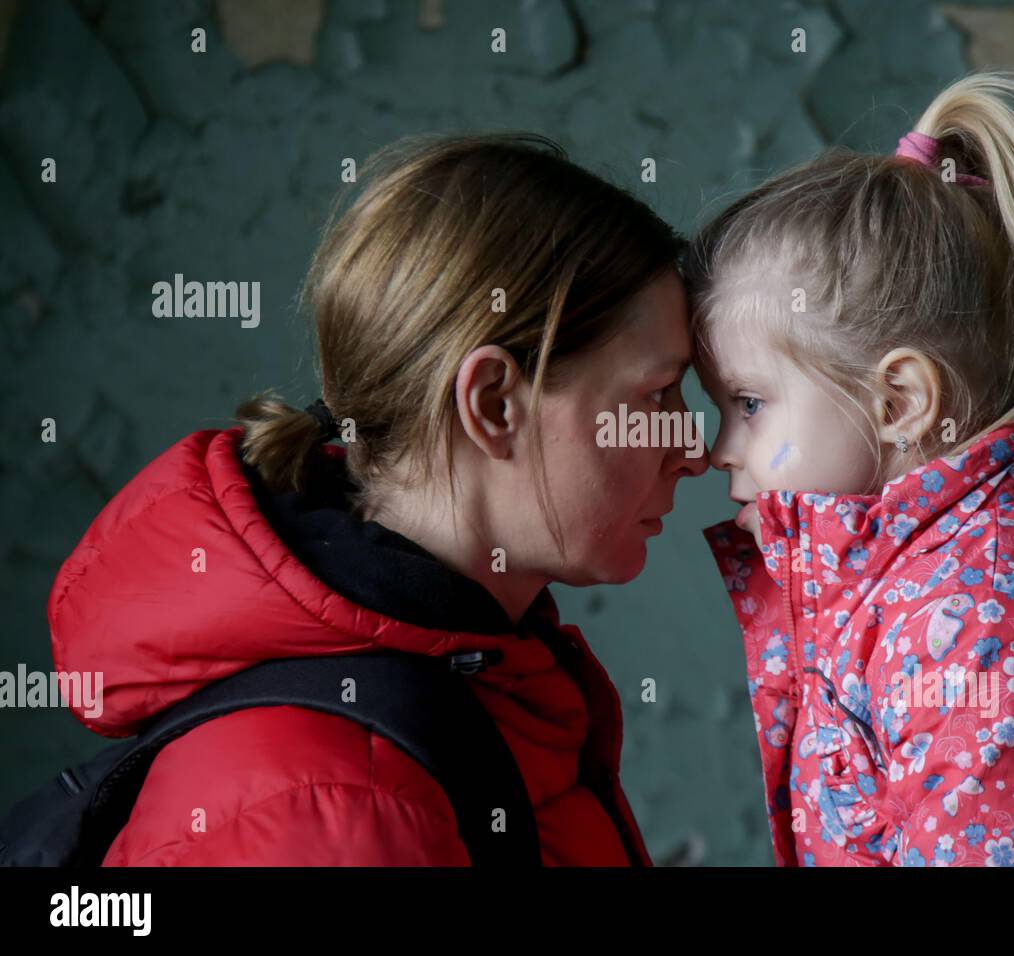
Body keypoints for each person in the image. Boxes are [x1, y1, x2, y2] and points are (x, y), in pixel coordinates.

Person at [48, 133, 707, 865]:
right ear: (493, 405)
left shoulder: (488, 680)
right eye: (656, 394)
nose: (694, 450)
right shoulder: (335, 804)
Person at [685, 73, 1014, 866]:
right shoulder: (896, 593)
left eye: (749, 403)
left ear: (900, 400)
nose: (716, 449)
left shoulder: (992, 632)